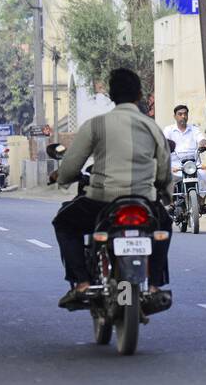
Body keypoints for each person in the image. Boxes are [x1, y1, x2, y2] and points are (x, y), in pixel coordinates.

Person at [53, 68, 173, 313]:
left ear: (110, 95)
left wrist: (61, 177)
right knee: (164, 225)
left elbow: (71, 164)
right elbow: (164, 171)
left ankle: (83, 283)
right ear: (139, 94)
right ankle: (154, 287)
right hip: (143, 202)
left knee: (64, 223)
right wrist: (164, 194)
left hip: (101, 202)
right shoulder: (151, 126)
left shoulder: (96, 125)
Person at [163, 104, 206, 212]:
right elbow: (164, 141)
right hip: (175, 165)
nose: (183, 116)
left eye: (185, 114)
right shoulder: (169, 130)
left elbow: (201, 139)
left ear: (187, 116)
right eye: (180, 114)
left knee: (204, 176)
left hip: (193, 164)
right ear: (175, 116)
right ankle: (171, 204)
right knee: (166, 179)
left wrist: (205, 144)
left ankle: (201, 203)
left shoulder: (194, 129)